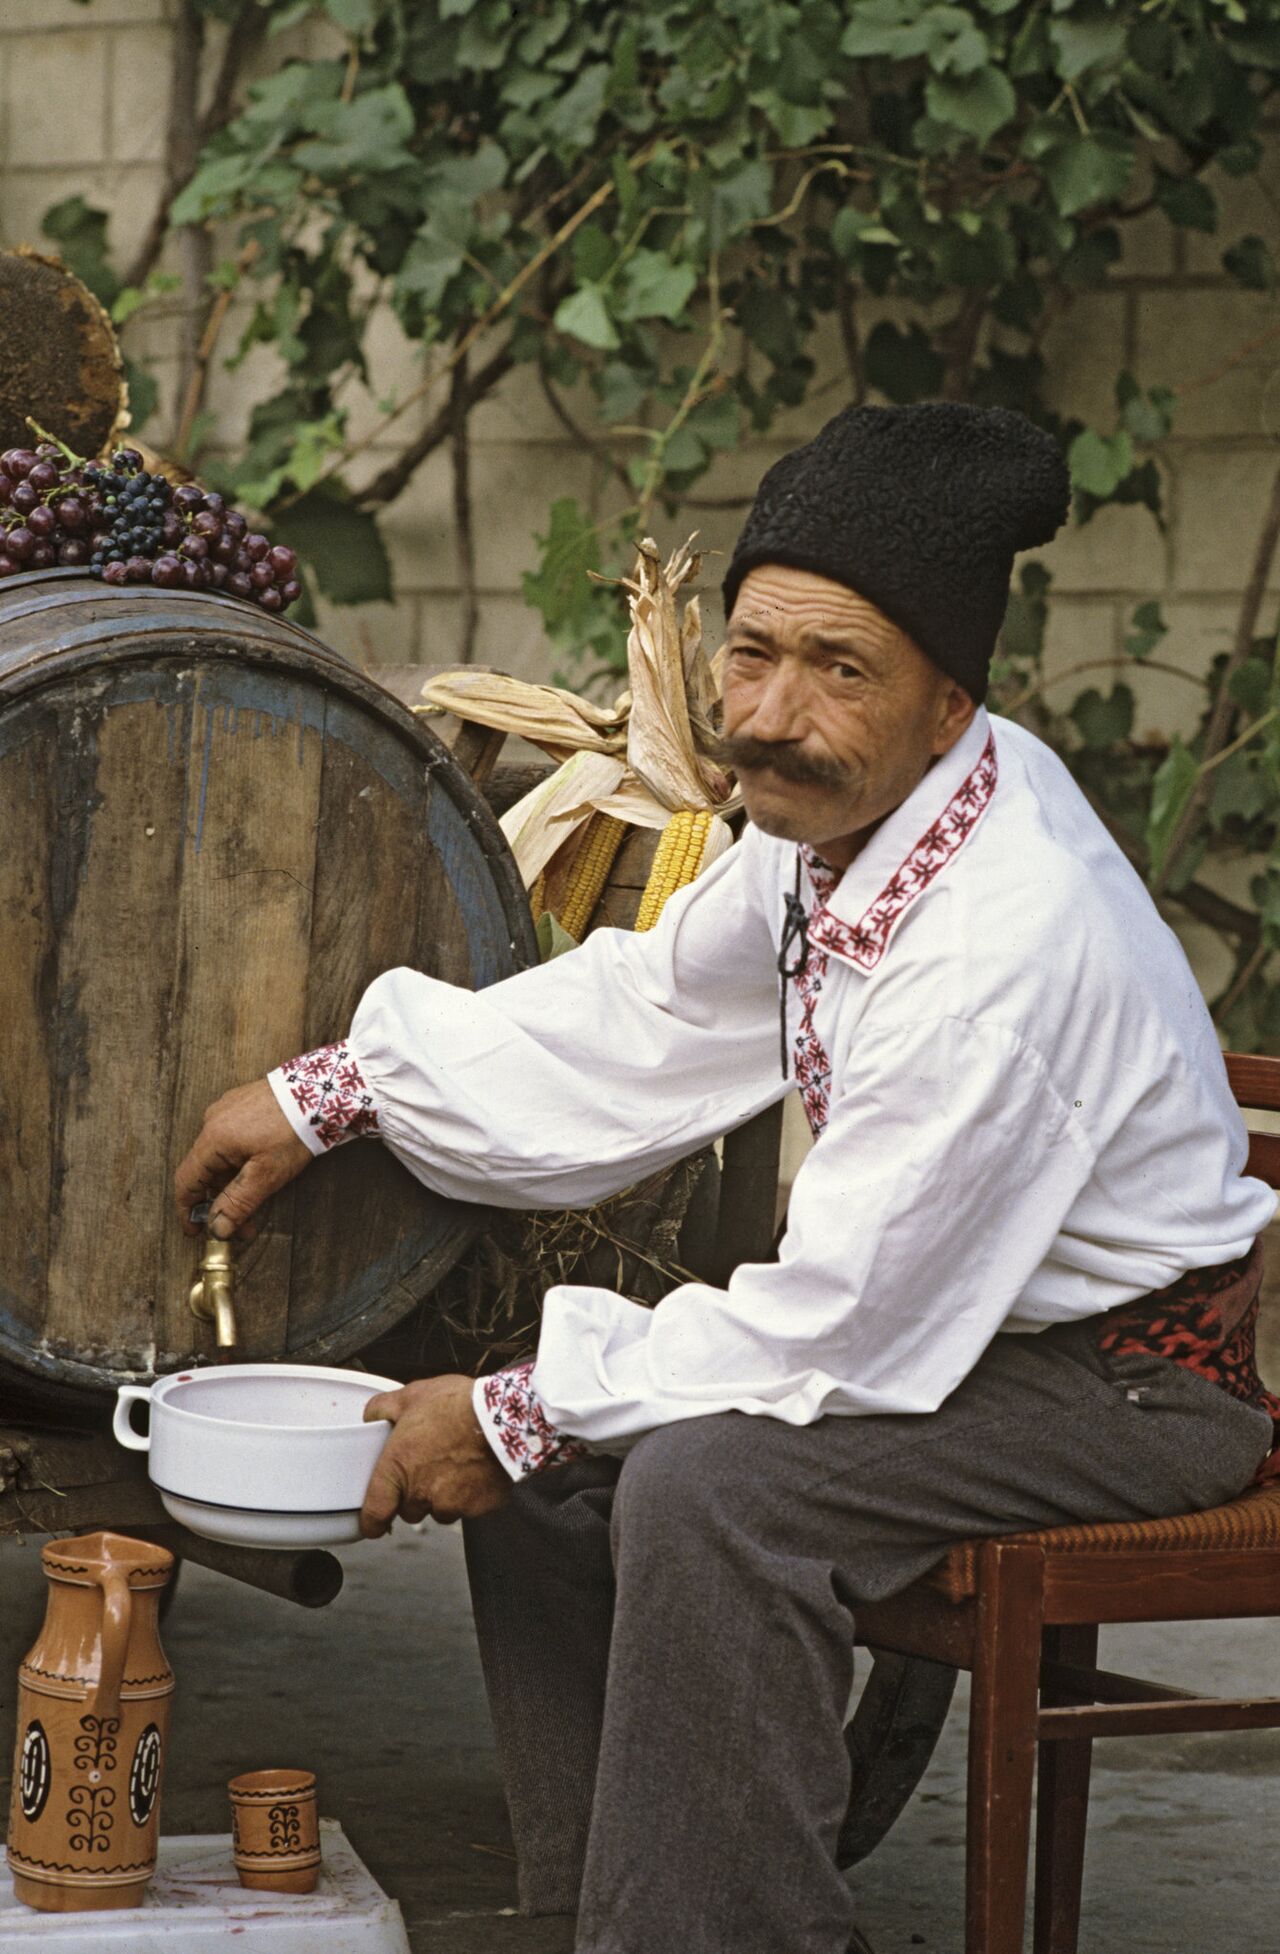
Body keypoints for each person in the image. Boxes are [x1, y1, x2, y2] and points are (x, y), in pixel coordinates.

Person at [175, 403, 1278, 1954]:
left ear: (952, 697)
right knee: (572, 1458)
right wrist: (336, 1093)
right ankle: (608, 1917)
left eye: (843, 669)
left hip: (1122, 1386)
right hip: (952, 1326)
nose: (771, 712)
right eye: (754, 650)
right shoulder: (841, 819)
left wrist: (505, 1410)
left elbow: (839, 1328)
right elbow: (655, 1011)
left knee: (709, 1486)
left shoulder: (997, 953)